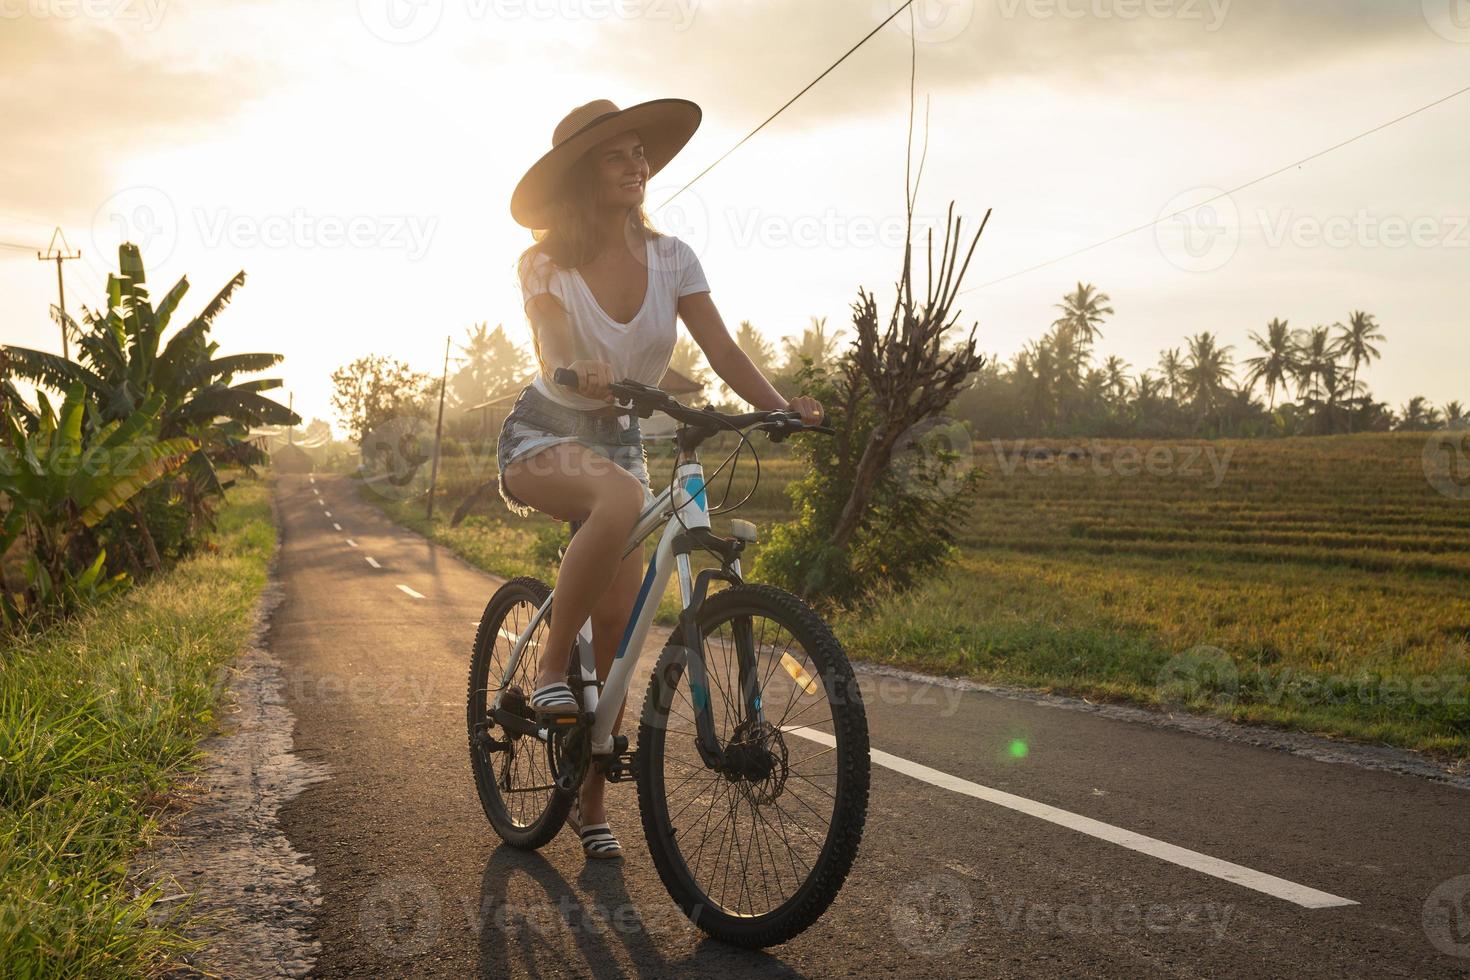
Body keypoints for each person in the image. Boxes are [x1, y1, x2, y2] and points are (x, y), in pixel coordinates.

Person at [498, 98, 824, 859]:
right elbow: (550, 342)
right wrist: (576, 369)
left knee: (617, 627)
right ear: (585, 173)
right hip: (547, 433)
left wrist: (780, 408)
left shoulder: (674, 257)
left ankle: (590, 802)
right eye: (617, 155)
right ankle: (548, 671)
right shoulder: (543, 261)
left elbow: (723, 350)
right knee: (617, 499)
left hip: (623, 441)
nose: (636, 165)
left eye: (640, 153)